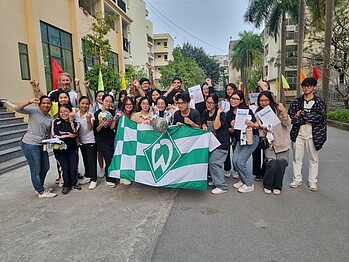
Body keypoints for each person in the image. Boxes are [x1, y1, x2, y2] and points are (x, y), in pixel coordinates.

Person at [288, 77, 327, 191]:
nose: (306, 88)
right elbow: (292, 115)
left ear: (314, 87)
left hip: (314, 134)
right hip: (298, 133)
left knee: (313, 158)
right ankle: (297, 179)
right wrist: (304, 118)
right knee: (297, 158)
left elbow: (320, 117)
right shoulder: (297, 101)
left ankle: (312, 181)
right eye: (304, 86)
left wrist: (302, 114)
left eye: (309, 86)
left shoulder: (319, 101)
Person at [15, 96, 56, 198]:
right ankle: (40, 191)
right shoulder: (34, 111)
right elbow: (17, 108)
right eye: (44, 103)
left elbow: (49, 133)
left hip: (42, 144)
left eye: (48, 103)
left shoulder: (50, 117)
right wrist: (29, 101)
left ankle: (39, 186)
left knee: (45, 167)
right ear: (39, 104)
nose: (46, 105)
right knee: (35, 169)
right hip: (30, 144)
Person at [256, 91, 291, 195]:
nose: (264, 102)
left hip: (282, 141)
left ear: (270, 100)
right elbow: (259, 130)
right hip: (269, 143)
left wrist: (284, 112)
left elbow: (287, 123)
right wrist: (264, 130)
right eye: (261, 100)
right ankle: (268, 184)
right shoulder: (258, 113)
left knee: (281, 163)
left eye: (266, 100)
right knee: (271, 164)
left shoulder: (278, 110)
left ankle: (277, 185)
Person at [227, 90, 259, 193]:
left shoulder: (246, 110)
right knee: (235, 160)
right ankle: (243, 179)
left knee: (241, 161)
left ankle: (249, 184)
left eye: (236, 99)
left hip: (251, 138)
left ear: (241, 100)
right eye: (232, 98)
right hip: (240, 139)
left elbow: (256, 125)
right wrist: (232, 126)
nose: (233, 101)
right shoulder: (229, 114)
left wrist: (250, 123)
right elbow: (231, 131)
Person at [202, 93, 230, 195]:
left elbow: (217, 126)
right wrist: (204, 125)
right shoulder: (205, 112)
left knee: (214, 162)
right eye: (207, 102)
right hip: (211, 143)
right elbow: (203, 122)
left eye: (211, 103)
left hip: (222, 143)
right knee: (209, 161)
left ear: (216, 104)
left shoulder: (221, 114)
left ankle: (222, 186)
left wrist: (218, 113)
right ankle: (215, 180)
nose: (209, 105)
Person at [52, 104, 81, 195]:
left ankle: (74, 182)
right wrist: (69, 135)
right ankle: (66, 185)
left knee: (73, 166)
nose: (63, 114)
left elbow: (75, 131)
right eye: (61, 112)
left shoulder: (76, 122)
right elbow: (54, 135)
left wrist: (71, 120)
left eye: (66, 111)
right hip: (59, 149)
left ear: (70, 112)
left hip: (72, 148)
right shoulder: (55, 122)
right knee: (64, 167)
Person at [93, 94, 119, 188]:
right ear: (102, 101)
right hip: (101, 140)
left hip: (110, 138)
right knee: (109, 158)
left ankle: (112, 175)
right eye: (106, 101)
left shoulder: (112, 112)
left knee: (112, 158)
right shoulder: (97, 113)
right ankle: (109, 179)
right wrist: (101, 125)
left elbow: (112, 127)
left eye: (110, 101)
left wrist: (113, 120)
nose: (108, 103)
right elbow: (96, 129)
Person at [75, 96, 98, 190]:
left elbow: (90, 128)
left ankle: (94, 179)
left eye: (86, 104)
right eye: (82, 103)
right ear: (79, 104)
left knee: (91, 160)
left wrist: (88, 119)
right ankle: (87, 175)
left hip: (90, 140)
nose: (84, 105)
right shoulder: (75, 115)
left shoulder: (91, 114)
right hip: (81, 141)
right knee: (85, 159)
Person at [223, 83, 238, 179]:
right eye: (227, 89)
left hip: (235, 125)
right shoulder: (223, 101)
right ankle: (227, 168)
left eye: (231, 89)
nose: (229, 91)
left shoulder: (237, 101)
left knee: (236, 147)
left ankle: (236, 169)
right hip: (225, 125)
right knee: (226, 148)